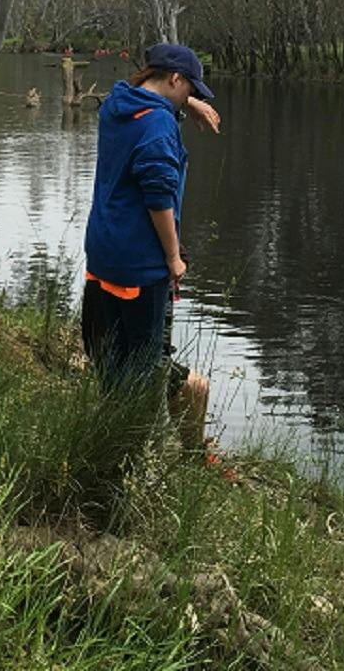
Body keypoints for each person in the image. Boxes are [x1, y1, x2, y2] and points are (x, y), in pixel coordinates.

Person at [81, 43, 225, 454]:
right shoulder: (158, 126)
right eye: (189, 87)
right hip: (143, 267)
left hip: (103, 255)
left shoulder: (116, 104)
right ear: (174, 79)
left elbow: (150, 99)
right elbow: (159, 195)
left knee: (110, 359)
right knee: (144, 372)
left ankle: (112, 434)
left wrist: (186, 105)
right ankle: (129, 456)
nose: (190, 94)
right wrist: (174, 258)